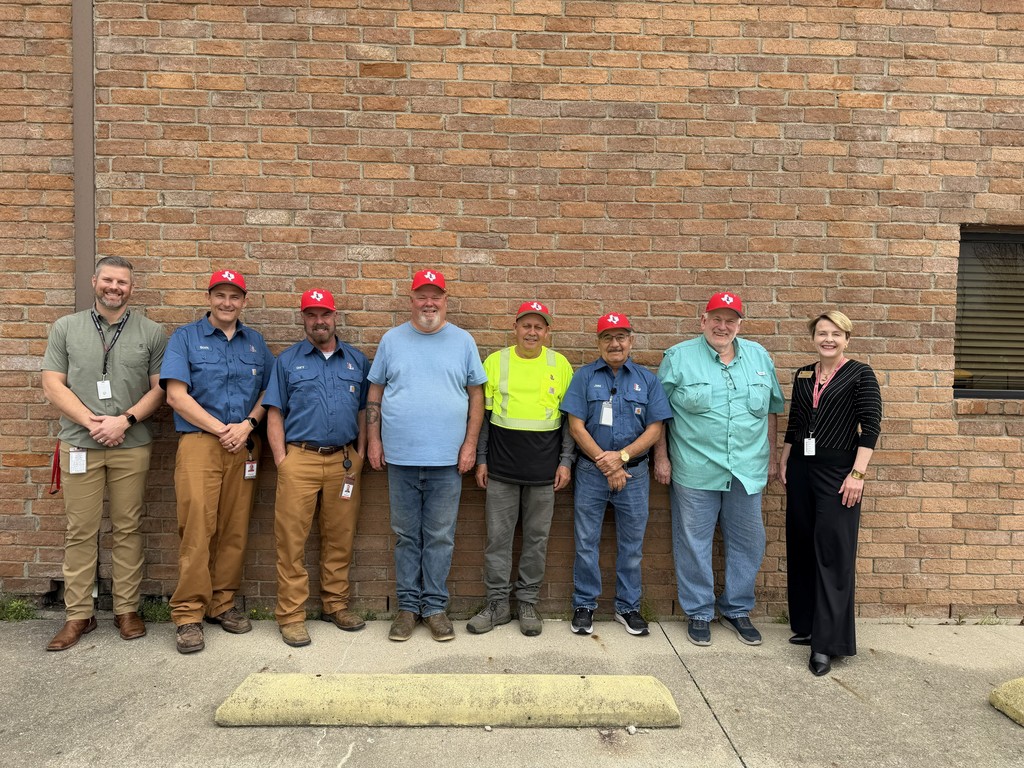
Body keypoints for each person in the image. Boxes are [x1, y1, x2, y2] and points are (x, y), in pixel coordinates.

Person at [40, 256, 167, 651]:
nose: (115, 287)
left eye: (123, 282)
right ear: (95, 281)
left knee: (128, 527)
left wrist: (122, 421)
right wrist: (93, 422)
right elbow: (52, 384)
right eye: (109, 280)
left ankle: (127, 609)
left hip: (131, 444)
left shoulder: (152, 332)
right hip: (80, 442)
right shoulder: (66, 328)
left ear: (132, 288)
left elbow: (160, 389)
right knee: (81, 530)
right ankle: (79, 614)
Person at [653, 292, 784, 648]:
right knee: (693, 542)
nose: (722, 326)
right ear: (703, 321)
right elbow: (658, 414)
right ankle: (699, 611)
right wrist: (660, 457)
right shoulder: (679, 358)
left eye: (730, 320)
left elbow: (771, 409)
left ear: (739, 325)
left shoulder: (759, 356)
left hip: (747, 468)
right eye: (716, 319)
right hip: (695, 469)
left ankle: (737, 608)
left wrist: (772, 457)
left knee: (749, 541)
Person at [367, 269, 487, 643]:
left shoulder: (463, 341)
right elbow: (374, 394)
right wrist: (374, 439)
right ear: (412, 300)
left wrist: (469, 445)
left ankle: (434, 608)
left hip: (447, 461)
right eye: (422, 296)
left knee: (439, 536)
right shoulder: (391, 340)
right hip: (400, 458)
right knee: (406, 536)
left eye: (436, 296)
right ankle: (407, 608)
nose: (429, 303)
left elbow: (477, 398)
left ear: (445, 300)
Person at [160, 269, 275, 654]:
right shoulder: (185, 338)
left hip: (243, 445)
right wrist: (222, 429)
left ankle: (221, 604)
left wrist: (247, 425)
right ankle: (189, 613)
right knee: (196, 527)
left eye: (235, 296)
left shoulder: (256, 343)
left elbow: (268, 392)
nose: (228, 303)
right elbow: (176, 395)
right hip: (200, 444)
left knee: (234, 528)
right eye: (220, 295)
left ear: (244, 301)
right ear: (209, 297)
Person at [262, 288, 370, 648]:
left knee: (340, 537)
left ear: (335, 316)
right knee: (291, 541)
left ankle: (335, 605)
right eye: (311, 315)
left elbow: (365, 412)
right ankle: (291, 616)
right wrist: (282, 461)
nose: (318, 321)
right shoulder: (288, 361)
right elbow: (274, 413)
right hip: (300, 460)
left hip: (344, 461)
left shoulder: (356, 360)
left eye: (324, 314)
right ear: (303, 318)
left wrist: (360, 453)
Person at [780, 310, 882, 677]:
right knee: (803, 544)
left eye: (836, 334)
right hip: (803, 470)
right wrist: (785, 458)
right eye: (822, 333)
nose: (828, 339)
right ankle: (808, 626)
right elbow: (794, 422)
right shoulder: (804, 374)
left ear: (847, 339)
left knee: (833, 552)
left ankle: (828, 644)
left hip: (840, 472)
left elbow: (870, 427)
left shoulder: (861, 374)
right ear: (813, 338)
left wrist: (858, 473)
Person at [467, 301, 575, 637]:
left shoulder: (560, 364)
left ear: (547, 332)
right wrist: (481, 458)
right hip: (500, 468)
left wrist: (565, 461)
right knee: (497, 540)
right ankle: (497, 604)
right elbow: (484, 418)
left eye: (538, 327)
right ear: (515, 328)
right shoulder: (495, 362)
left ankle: (527, 602)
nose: (532, 332)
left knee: (536, 540)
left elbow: (569, 422)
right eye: (526, 326)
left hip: (545, 472)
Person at [560, 312, 671, 637]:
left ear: (631, 341)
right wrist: (605, 462)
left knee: (632, 545)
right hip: (591, 473)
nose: (615, 343)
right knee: (585, 542)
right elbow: (576, 427)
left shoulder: (647, 380)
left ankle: (628, 608)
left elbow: (655, 429)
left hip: (633, 475)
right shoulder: (584, 377)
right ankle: (584, 605)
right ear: (599, 343)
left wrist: (621, 458)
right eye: (607, 337)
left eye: (621, 336)